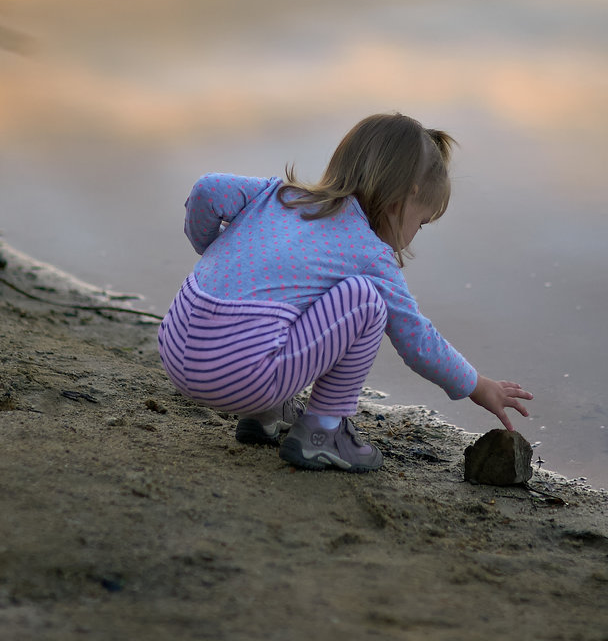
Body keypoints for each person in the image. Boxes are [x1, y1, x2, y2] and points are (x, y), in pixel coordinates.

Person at [157, 113, 533, 473]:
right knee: (366, 300)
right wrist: (477, 385)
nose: (417, 231)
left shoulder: (276, 195)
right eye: (422, 221)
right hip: (240, 379)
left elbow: (208, 188)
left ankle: (266, 414)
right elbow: (417, 340)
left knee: (288, 301)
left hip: (173, 352)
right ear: (404, 197)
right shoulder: (369, 252)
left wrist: (213, 251)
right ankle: (324, 432)